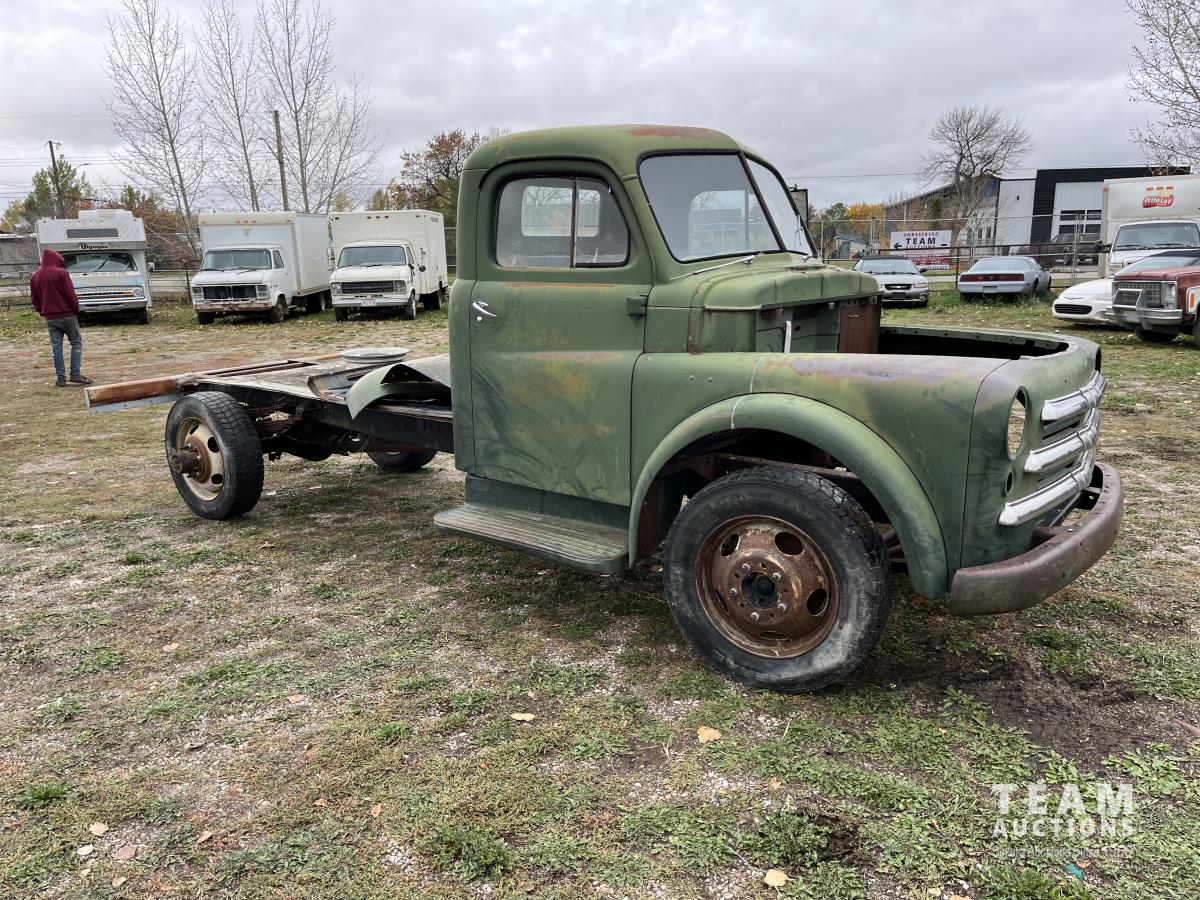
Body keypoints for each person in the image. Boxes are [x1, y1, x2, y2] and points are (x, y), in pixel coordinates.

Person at [30, 248, 92, 386]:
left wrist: (42, 311)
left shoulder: (35, 276)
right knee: (76, 343)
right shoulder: (62, 273)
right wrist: (75, 309)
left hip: (50, 318)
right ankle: (75, 374)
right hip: (67, 315)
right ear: (57, 260)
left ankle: (61, 379)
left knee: (56, 347)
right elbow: (70, 294)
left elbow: (35, 298)